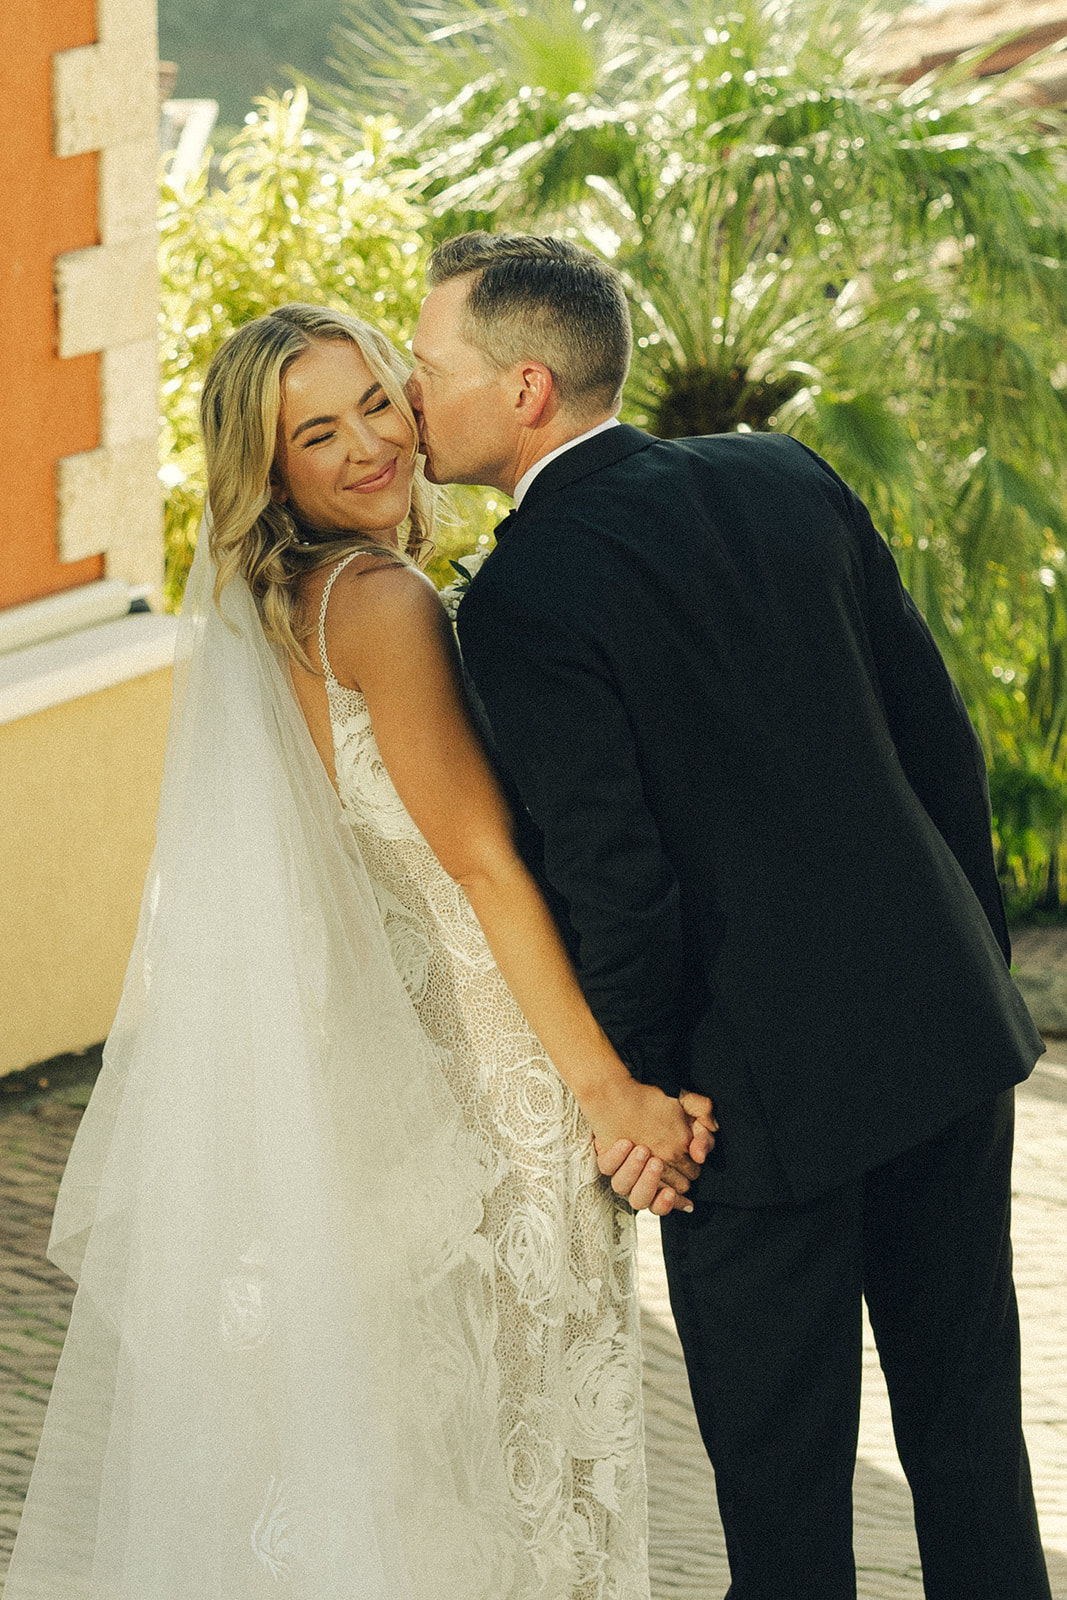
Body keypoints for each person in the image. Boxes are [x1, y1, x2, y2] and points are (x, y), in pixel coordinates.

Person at [4, 303, 715, 1600]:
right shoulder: (382, 602)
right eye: (314, 434)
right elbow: (482, 864)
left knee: (426, 1466)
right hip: (496, 1091)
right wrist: (612, 1095)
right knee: (528, 1464)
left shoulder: (274, 605)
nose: (369, 446)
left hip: (381, 1094)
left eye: (377, 402)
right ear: (270, 470)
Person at [405, 230, 1052, 1600]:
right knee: (970, 1439)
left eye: (425, 369)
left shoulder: (520, 598)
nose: (412, 401)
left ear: (525, 389)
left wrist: (640, 1104)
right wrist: (969, 965)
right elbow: (936, 743)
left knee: (783, 1496)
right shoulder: (781, 470)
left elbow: (612, 875)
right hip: (941, 1036)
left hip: (747, 1111)